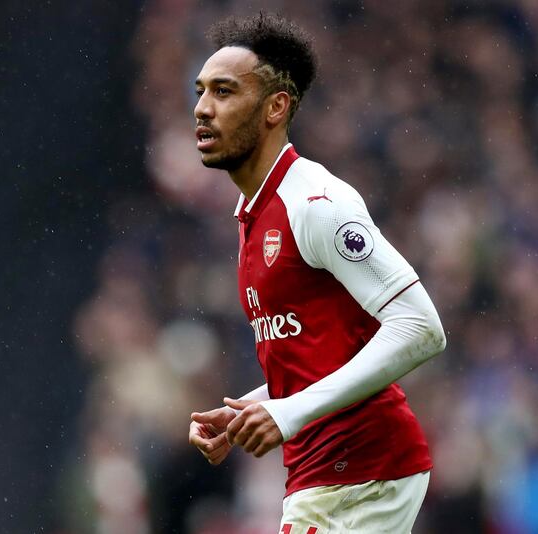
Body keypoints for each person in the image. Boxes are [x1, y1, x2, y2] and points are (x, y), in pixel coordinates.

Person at [187, 13, 446, 533]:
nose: (202, 108)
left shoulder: (315, 201)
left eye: (224, 91)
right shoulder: (253, 217)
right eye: (201, 91)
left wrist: (291, 412)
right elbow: (322, 354)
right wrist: (255, 411)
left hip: (362, 472)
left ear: (275, 107)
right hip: (327, 474)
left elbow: (421, 328)